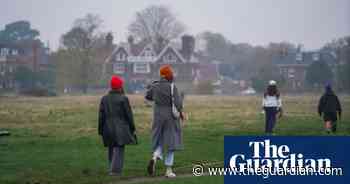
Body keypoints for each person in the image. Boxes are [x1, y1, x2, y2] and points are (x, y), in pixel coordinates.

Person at [145, 65, 184, 178]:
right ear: (169, 75)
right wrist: (181, 113)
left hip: (158, 117)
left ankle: (155, 157)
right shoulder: (172, 87)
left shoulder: (155, 86)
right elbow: (178, 103)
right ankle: (168, 170)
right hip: (170, 118)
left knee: (160, 140)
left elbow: (148, 96)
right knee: (171, 143)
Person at [98, 75, 137, 176]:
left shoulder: (104, 99)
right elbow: (129, 115)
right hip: (121, 128)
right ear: (120, 86)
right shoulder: (123, 99)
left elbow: (101, 116)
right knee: (119, 149)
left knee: (111, 149)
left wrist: (100, 130)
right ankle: (115, 171)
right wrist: (132, 128)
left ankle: (111, 168)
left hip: (107, 128)